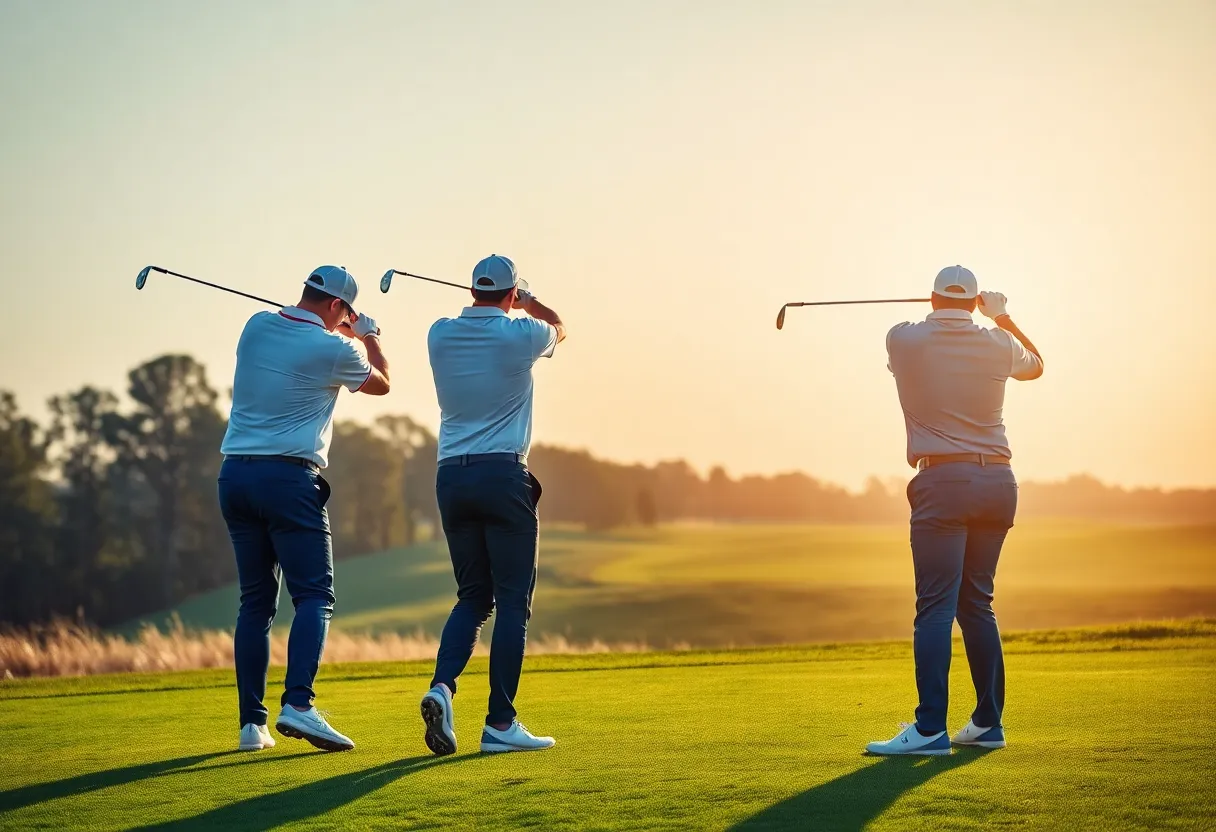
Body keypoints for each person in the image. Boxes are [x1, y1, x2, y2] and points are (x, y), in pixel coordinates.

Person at [866, 265, 1044, 756]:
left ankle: (929, 731)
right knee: (977, 604)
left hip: (942, 482)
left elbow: (918, 331)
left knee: (936, 606)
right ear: (974, 305)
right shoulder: (997, 342)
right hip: (998, 483)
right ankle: (988, 723)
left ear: (931, 297)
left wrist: (946, 312)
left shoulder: (902, 338)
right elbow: (1038, 364)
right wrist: (1003, 316)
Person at [218, 266, 390, 753]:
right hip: (288, 479)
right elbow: (382, 384)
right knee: (315, 596)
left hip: (234, 476)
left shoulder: (254, 327)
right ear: (339, 307)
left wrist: (333, 326)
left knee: (255, 603)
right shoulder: (336, 348)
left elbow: (290, 328)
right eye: (345, 314)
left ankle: (253, 726)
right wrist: (368, 335)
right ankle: (299, 703)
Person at [419, 254, 566, 755]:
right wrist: (530, 302)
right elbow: (559, 328)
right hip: (502, 476)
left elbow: (476, 316)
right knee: (512, 606)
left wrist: (507, 301)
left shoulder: (439, 333)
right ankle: (500, 723)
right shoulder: (519, 334)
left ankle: (441, 688)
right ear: (509, 294)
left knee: (472, 598)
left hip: (451, 478)